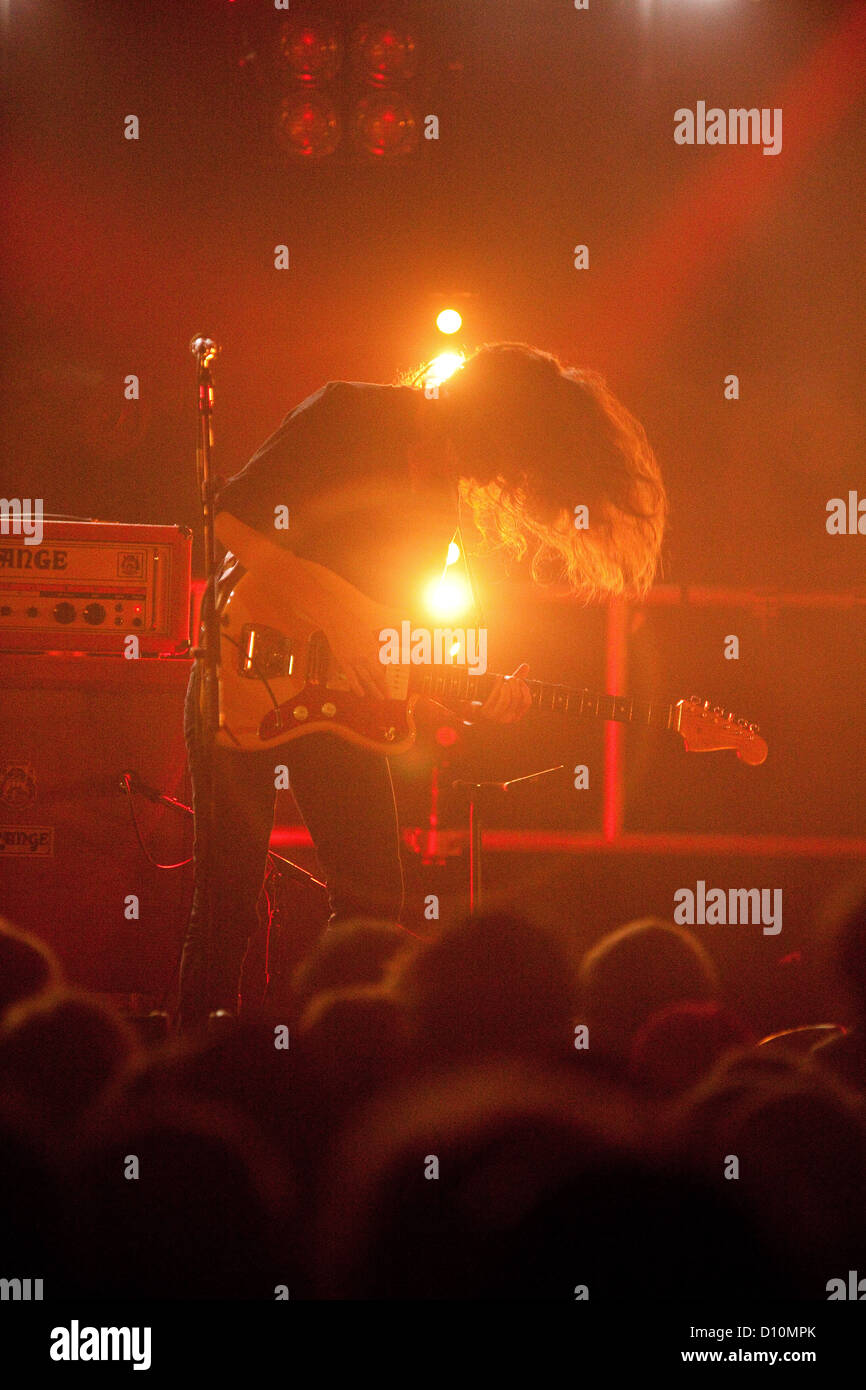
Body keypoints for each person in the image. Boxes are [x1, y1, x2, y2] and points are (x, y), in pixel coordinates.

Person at [177, 342, 666, 1030]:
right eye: (509, 455)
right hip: (244, 662)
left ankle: (329, 1055)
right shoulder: (351, 410)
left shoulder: (444, 492)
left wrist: (468, 693)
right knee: (228, 895)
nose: (500, 480)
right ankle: (191, 1070)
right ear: (490, 419)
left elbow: (390, 639)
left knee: (376, 900)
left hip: (339, 702)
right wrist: (339, 621)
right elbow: (231, 517)